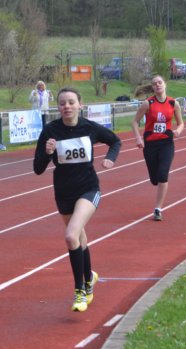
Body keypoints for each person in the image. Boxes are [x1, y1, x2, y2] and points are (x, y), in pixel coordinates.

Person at [33, 87, 121, 312]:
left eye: (71, 102)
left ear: (80, 105)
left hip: (88, 189)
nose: (67, 106)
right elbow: (38, 169)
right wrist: (48, 153)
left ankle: (80, 290)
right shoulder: (50, 130)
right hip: (63, 192)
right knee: (79, 238)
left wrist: (110, 158)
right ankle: (89, 277)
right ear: (58, 107)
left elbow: (115, 141)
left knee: (71, 235)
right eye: (62, 103)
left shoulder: (89, 127)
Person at [131, 75, 185, 221]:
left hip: (167, 143)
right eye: (154, 84)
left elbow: (181, 123)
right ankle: (156, 186)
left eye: (160, 82)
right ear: (152, 87)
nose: (157, 85)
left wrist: (178, 131)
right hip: (150, 144)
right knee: (155, 180)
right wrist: (138, 138)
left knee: (163, 175)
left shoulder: (173, 103)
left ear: (165, 84)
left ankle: (158, 209)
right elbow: (135, 122)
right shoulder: (148, 103)